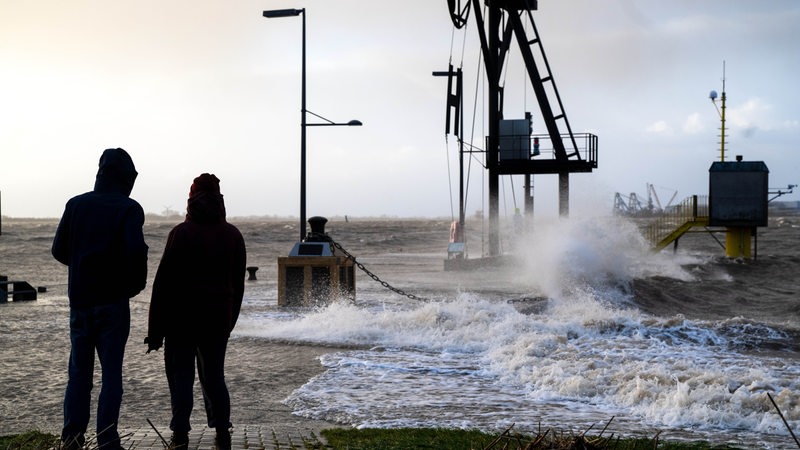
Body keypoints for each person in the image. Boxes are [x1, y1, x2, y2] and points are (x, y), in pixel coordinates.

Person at [52, 148, 149, 450]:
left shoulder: (76, 205)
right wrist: (131, 286)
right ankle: (107, 439)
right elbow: (136, 255)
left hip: (79, 303)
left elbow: (58, 250)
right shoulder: (129, 209)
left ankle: (72, 438)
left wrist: (83, 264)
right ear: (126, 178)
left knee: (79, 375)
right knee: (111, 376)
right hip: (113, 304)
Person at [145, 173, 246, 450]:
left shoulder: (181, 233)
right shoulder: (232, 235)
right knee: (214, 377)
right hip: (217, 319)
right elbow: (237, 286)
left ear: (191, 199)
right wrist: (229, 322)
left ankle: (180, 434)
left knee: (180, 377)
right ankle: (222, 432)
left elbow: (162, 284)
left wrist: (155, 332)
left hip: (181, 320)